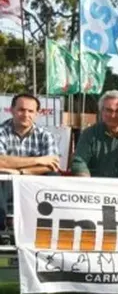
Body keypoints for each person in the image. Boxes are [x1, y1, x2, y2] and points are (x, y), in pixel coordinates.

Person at [0, 94, 60, 232]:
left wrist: (21, 171)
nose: (25, 114)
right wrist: (38, 160)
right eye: (21, 109)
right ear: (12, 110)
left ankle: (48, 230)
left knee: (52, 175)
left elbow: (52, 165)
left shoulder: (46, 135)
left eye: (30, 111)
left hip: (34, 183)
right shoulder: (1, 132)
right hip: (6, 184)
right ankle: (2, 230)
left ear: (37, 114)